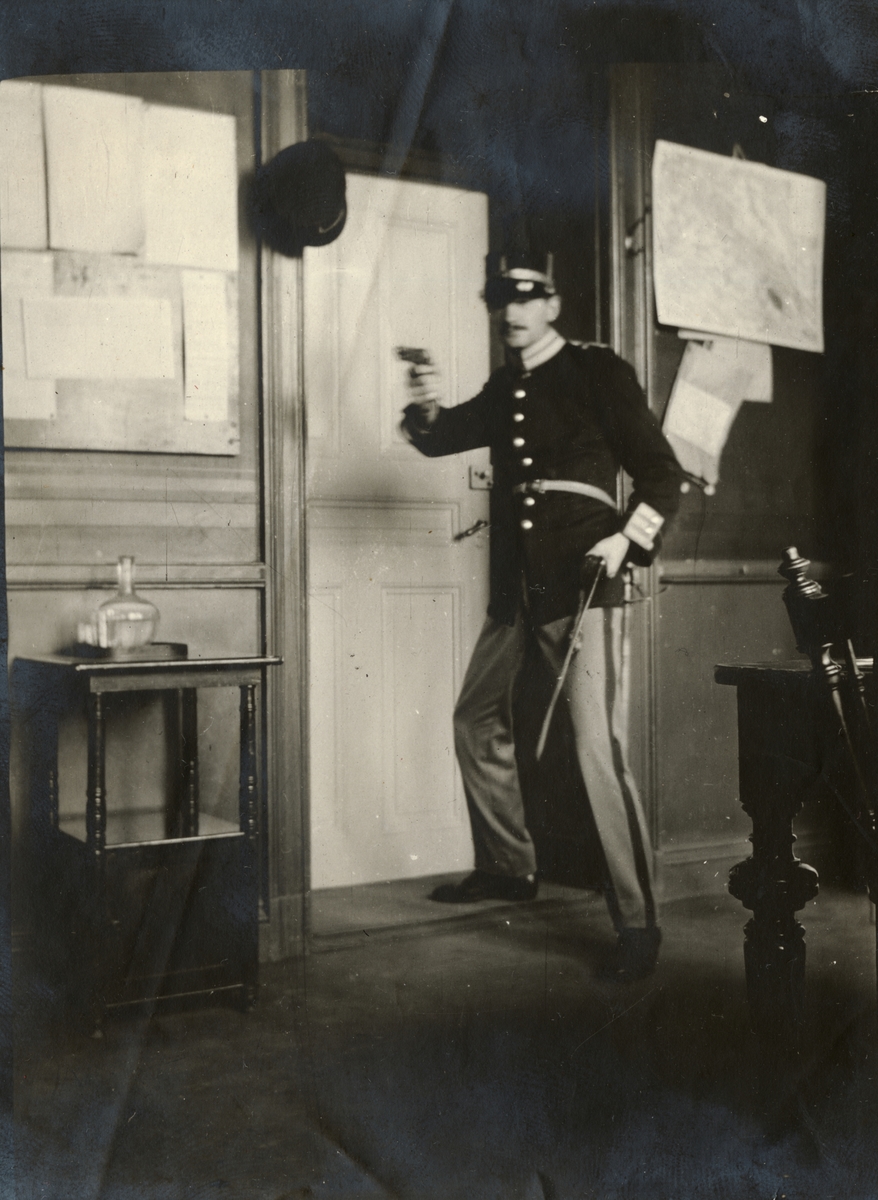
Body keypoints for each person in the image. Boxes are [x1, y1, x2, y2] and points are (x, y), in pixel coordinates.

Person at [400, 250, 684, 981]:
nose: (513, 312)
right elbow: (443, 435)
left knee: (597, 750)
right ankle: (508, 866)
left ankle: (639, 922)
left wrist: (627, 541)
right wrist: (426, 404)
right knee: (474, 719)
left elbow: (662, 474)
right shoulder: (508, 386)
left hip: (583, 582)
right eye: (502, 301)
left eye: (527, 299)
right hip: (519, 587)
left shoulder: (597, 371)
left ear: (554, 306)